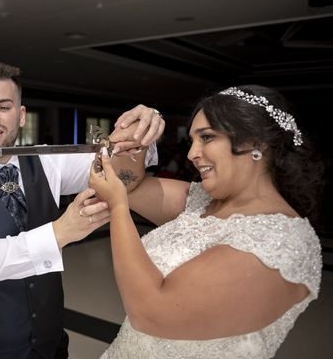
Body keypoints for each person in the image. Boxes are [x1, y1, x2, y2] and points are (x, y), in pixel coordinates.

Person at [0, 61, 164, 359]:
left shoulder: (48, 160)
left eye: (4, 106)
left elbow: (121, 172)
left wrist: (139, 135)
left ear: (21, 115)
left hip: (47, 344)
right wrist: (60, 232)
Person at [89, 85, 324, 359]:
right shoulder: (202, 201)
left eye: (207, 137)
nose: (191, 154)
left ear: (256, 143)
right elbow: (130, 185)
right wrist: (137, 138)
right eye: (193, 140)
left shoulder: (282, 241)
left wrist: (118, 208)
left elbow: (152, 314)